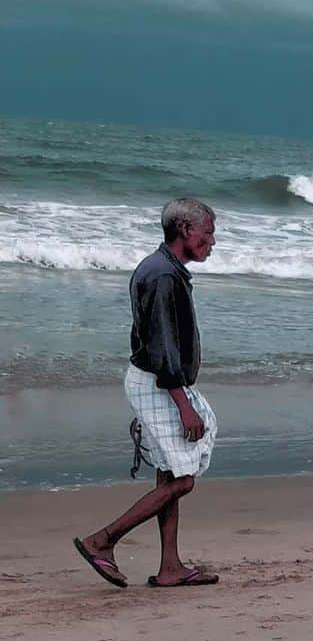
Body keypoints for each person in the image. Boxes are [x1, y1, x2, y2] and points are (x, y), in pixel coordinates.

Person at [73, 198, 220, 588]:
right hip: (159, 384)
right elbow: (162, 348)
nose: (212, 241)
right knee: (183, 478)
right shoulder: (163, 277)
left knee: (171, 471)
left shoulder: (164, 269)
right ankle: (102, 541)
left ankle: (170, 567)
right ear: (186, 230)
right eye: (207, 232)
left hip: (159, 380)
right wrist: (184, 405)